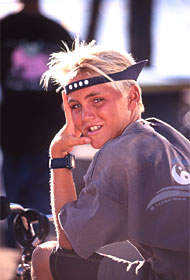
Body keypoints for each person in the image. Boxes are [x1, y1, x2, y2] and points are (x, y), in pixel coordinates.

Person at [31, 38, 190, 280]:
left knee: (45, 257)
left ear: (132, 96)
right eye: (74, 105)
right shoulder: (167, 135)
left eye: (97, 100)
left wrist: (58, 155)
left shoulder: (120, 152)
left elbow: (70, 241)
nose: (85, 116)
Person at [0, 0, 74, 246]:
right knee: (41, 197)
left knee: (14, 201)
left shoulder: (5, 27)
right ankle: (36, 248)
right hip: (46, 130)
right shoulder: (58, 32)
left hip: (13, 128)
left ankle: (18, 251)